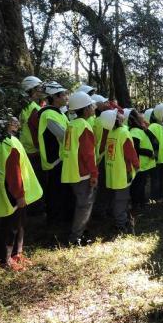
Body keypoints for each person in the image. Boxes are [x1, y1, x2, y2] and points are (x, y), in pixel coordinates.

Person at [0, 117, 43, 271]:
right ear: (7, 125)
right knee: (11, 226)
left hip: (4, 188)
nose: (18, 124)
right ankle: (5, 260)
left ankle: (16, 254)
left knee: (16, 224)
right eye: (14, 122)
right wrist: (19, 195)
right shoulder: (9, 143)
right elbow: (13, 172)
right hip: (13, 191)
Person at [61, 92, 98, 245]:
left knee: (81, 204)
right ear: (85, 109)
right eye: (91, 106)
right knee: (84, 206)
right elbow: (88, 154)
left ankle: (81, 233)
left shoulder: (72, 125)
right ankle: (75, 238)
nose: (93, 108)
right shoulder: (84, 126)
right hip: (82, 172)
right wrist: (94, 173)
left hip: (71, 171)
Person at [98, 109, 139, 233]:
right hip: (123, 172)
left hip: (112, 171)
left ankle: (118, 218)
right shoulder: (123, 133)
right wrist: (136, 165)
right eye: (118, 114)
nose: (122, 114)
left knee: (115, 198)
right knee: (121, 199)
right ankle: (121, 224)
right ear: (116, 119)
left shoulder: (110, 133)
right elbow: (130, 154)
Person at [37, 81, 71, 224]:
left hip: (62, 158)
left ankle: (59, 218)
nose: (66, 97)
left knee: (60, 192)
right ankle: (54, 221)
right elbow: (64, 135)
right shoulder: (49, 114)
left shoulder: (59, 113)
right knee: (55, 192)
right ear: (55, 97)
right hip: (55, 160)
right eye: (63, 95)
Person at [19, 76, 45, 215]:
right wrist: (40, 148)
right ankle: (36, 209)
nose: (41, 90)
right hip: (34, 151)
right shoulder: (34, 108)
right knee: (36, 180)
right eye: (38, 88)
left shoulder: (23, 106)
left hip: (24, 148)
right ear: (32, 90)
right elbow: (35, 131)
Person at [127, 108, 158, 208]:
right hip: (140, 164)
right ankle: (136, 203)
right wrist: (149, 153)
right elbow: (135, 149)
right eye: (139, 113)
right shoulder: (134, 131)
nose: (142, 114)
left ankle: (141, 201)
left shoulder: (140, 129)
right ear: (134, 119)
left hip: (145, 164)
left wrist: (146, 129)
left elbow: (154, 141)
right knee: (138, 185)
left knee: (142, 184)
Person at [147, 106, 163, 204]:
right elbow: (152, 142)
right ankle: (155, 198)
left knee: (162, 179)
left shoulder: (162, 127)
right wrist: (154, 155)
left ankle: (161, 196)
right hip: (157, 158)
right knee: (156, 179)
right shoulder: (153, 127)